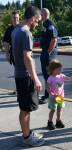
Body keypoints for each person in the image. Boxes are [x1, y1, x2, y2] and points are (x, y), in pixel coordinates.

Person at [11, 6, 45, 146]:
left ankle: (27, 133)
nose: (37, 24)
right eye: (37, 20)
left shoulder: (15, 30)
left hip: (19, 75)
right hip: (25, 77)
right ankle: (27, 138)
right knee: (26, 109)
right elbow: (27, 58)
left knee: (23, 108)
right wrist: (35, 78)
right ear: (32, 19)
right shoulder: (26, 33)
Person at [46, 59, 72, 130]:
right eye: (58, 69)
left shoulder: (61, 76)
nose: (60, 70)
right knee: (53, 110)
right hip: (53, 97)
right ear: (53, 69)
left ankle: (58, 121)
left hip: (60, 97)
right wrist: (51, 94)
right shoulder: (50, 78)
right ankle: (50, 122)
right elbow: (47, 87)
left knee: (59, 109)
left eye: (60, 69)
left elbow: (69, 79)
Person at [39, 8, 58, 104]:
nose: (39, 16)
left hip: (49, 54)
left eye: (40, 14)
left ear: (45, 14)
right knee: (46, 76)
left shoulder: (50, 24)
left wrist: (48, 53)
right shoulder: (45, 24)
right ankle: (47, 95)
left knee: (49, 76)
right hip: (45, 52)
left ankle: (51, 96)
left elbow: (54, 40)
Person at [3, 11, 20, 95]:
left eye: (17, 17)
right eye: (14, 17)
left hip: (22, 54)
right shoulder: (9, 29)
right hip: (13, 54)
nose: (15, 19)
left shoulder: (22, 27)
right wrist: (7, 54)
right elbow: (6, 43)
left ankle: (23, 89)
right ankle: (18, 89)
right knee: (17, 71)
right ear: (11, 19)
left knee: (24, 72)